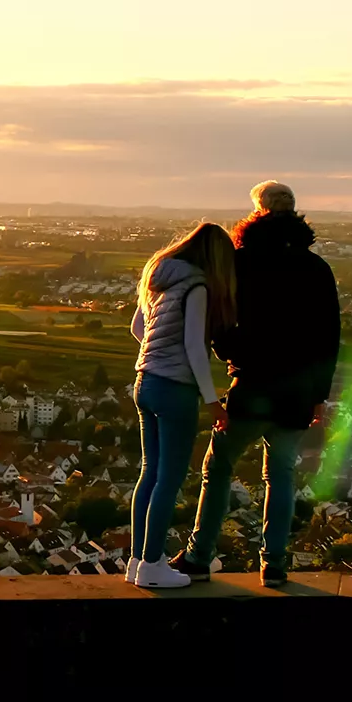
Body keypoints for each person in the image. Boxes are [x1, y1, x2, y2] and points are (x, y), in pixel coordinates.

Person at [173, 181, 340, 588]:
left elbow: (221, 319)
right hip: (298, 393)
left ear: (257, 210)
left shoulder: (241, 262)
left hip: (253, 385)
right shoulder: (316, 269)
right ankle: (275, 563)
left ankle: (199, 554)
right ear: (294, 212)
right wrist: (318, 395)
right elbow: (328, 337)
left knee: (219, 466)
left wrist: (234, 357)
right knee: (281, 473)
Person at [125, 222, 236, 589]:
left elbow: (137, 328)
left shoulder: (158, 276)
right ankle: (153, 564)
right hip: (175, 390)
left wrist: (155, 354)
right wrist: (213, 402)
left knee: (150, 474)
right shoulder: (197, 286)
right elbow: (194, 348)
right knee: (169, 480)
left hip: (145, 382)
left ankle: (137, 561)